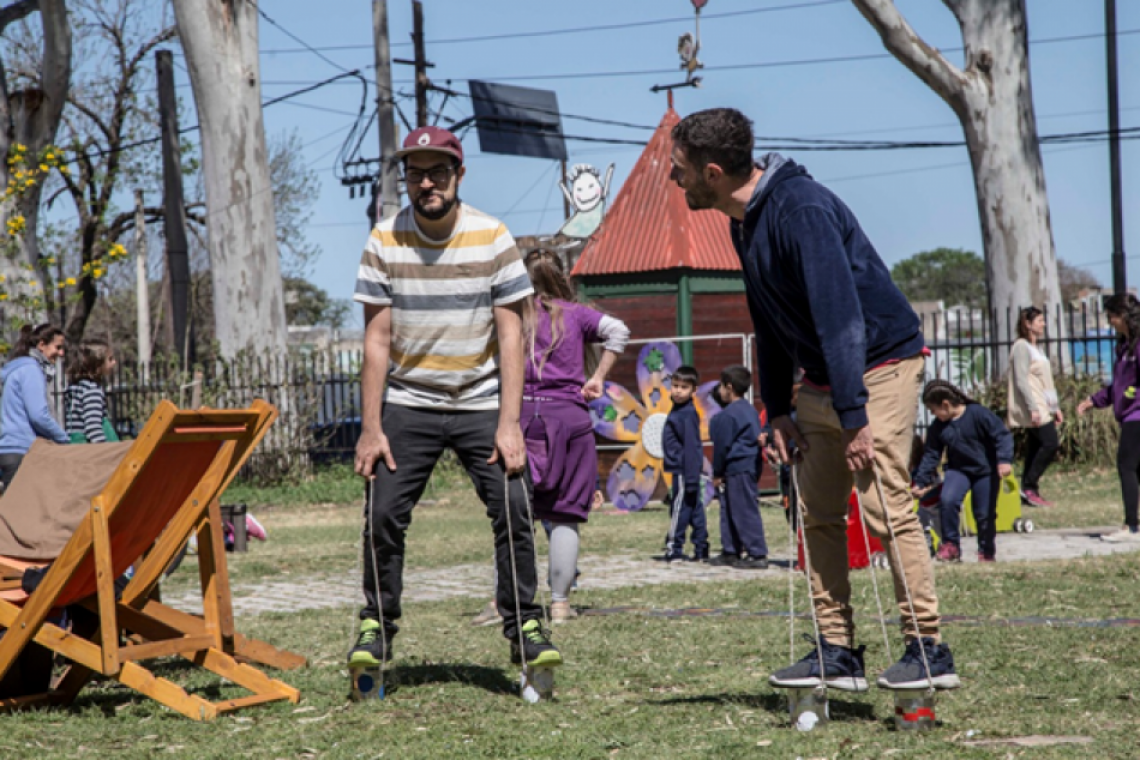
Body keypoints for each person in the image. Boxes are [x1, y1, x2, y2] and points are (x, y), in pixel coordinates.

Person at [671, 108, 958, 691]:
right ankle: (835, 651)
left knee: (884, 507)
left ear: (713, 171)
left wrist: (854, 417)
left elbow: (841, 317)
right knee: (816, 513)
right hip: (823, 376)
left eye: (679, 171)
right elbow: (770, 322)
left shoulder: (799, 209)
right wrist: (776, 409)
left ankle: (927, 648)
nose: (673, 181)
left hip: (876, 365)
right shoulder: (744, 221)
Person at [349, 126, 561, 672]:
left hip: (480, 399)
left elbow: (512, 333)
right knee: (383, 513)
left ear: (458, 175)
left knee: (514, 506)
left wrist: (508, 423)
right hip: (410, 402)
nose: (426, 182)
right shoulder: (383, 240)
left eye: (438, 171)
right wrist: (372, 427)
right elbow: (375, 340)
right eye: (415, 173)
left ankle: (526, 627)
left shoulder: (492, 236)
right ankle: (377, 627)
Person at [912, 380, 1014, 563]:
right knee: (948, 500)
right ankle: (951, 545)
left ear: (946, 404)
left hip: (985, 471)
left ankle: (986, 551)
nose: (932, 414)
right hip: (958, 470)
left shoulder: (978, 414)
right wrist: (920, 481)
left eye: (933, 409)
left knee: (984, 513)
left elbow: (1002, 435)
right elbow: (931, 455)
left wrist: (1004, 460)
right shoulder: (939, 427)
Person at [1077, 293, 1140, 543]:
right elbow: (1119, 385)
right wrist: (1095, 400)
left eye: (1111, 316)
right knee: (1137, 469)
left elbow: (1131, 386)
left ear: (1123, 316)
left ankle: (1131, 526)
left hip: (1137, 414)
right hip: (1129, 414)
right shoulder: (1123, 346)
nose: (1110, 321)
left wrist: (1131, 394)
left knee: (1126, 465)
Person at [708, 365, 768, 569]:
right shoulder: (749, 410)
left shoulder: (729, 415)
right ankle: (730, 550)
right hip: (746, 466)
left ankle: (757, 553)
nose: (720, 391)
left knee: (743, 510)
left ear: (729, 387)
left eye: (722, 386)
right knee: (729, 509)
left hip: (738, 467)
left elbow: (722, 447)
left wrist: (717, 472)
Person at [0, 323, 68, 486]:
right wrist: (63, 439)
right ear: (42, 345)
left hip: (11, 450)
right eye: (57, 347)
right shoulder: (31, 370)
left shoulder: (19, 369)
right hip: (23, 452)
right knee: (23, 510)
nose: (61, 353)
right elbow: (39, 415)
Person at [1007, 306, 1062, 506]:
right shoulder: (1021, 346)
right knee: (1050, 442)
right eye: (1039, 320)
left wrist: (1055, 408)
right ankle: (1029, 486)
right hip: (1035, 404)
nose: (1043, 324)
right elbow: (1021, 380)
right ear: (1028, 324)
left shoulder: (1036, 348)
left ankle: (1028, 489)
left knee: (1036, 445)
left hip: (1043, 404)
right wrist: (1032, 407)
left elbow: (1045, 381)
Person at [662, 365, 709, 563]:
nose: (678, 391)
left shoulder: (686, 414)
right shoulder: (679, 410)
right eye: (675, 385)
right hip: (685, 469)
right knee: (694, 508)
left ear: (693, 390)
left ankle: (674, 547)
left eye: (684, 387)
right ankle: (701, 546)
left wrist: (690, 476)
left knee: (679, 509)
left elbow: (692, 446)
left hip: (684, 470)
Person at [64, 338, 119, 444]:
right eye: (110, 359)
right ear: (98, 364)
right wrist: (105, 450)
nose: (114, 362)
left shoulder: (76, 386)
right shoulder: (92, 390)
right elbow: (93, 428)